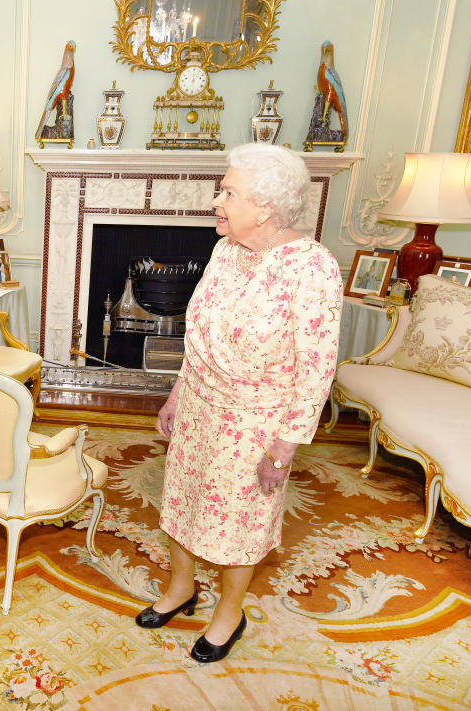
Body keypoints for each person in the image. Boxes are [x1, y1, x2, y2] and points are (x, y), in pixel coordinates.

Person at [137, 143, 343, 663]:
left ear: (267, 207)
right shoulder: (224, 250)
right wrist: (179, 392)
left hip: (255, 422)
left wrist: (284, 449)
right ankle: (182, 589)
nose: (215, 201)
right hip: (200, 405)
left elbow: (316, 368)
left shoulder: (311, 268)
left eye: (228, 192)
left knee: (239, 522)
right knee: (182, 500)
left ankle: (230, 612)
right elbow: (199, 333)